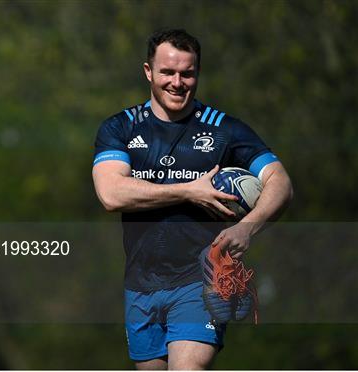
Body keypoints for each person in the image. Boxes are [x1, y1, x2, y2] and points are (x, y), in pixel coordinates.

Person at [92, 29, 293, 370]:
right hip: (141, 285)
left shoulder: (223, 130)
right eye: (167, 72)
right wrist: (189, 190)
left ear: (197, 73)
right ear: (148, 72)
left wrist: (247, 228)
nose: (177, 82)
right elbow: (111, 194)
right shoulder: (121, 128)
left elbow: (280, 182)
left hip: (199, 280)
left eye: (187, 73)